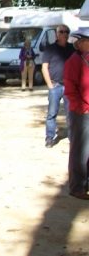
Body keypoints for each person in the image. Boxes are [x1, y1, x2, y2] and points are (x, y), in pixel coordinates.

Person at [64, 28, 89, 200]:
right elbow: (71, 89)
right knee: (80, 150)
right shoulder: (74, 61)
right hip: (81, 112)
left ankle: (84, 183)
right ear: (79, 43)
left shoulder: (85, 58)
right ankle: (77, 186)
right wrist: (82, 107)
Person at [42, 24, 75, 148]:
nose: (65, 34)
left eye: (67, 31)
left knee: (70, 114)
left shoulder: (72, 49)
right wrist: (50, 86)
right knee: (52, 114)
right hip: (55, 86)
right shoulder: (50, 49)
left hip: (69, 87)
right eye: (62, 31)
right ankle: (49, 138)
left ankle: (72, 139)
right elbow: (44, 67)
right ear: (57, 34)